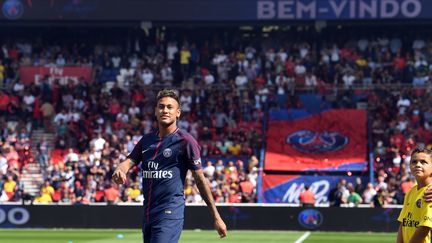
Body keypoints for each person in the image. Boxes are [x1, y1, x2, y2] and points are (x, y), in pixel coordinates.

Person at [112, 89, 227, 243]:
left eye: (169, 107)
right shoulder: (146, 140)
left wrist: (216, 217)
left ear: (178, 112)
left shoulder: (186, 141)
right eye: (161, 106)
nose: (165, 110)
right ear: (155, 111)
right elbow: (129, 161)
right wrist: (121, 169)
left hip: (170, 211)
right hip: (148, 212)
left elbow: (200, 179)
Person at [397, 148, 432, 243]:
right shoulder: (410, 192)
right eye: (414, 162)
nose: (418, 165)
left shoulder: (429, 192)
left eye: (423, 162)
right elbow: (403, 223)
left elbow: (425, 227)